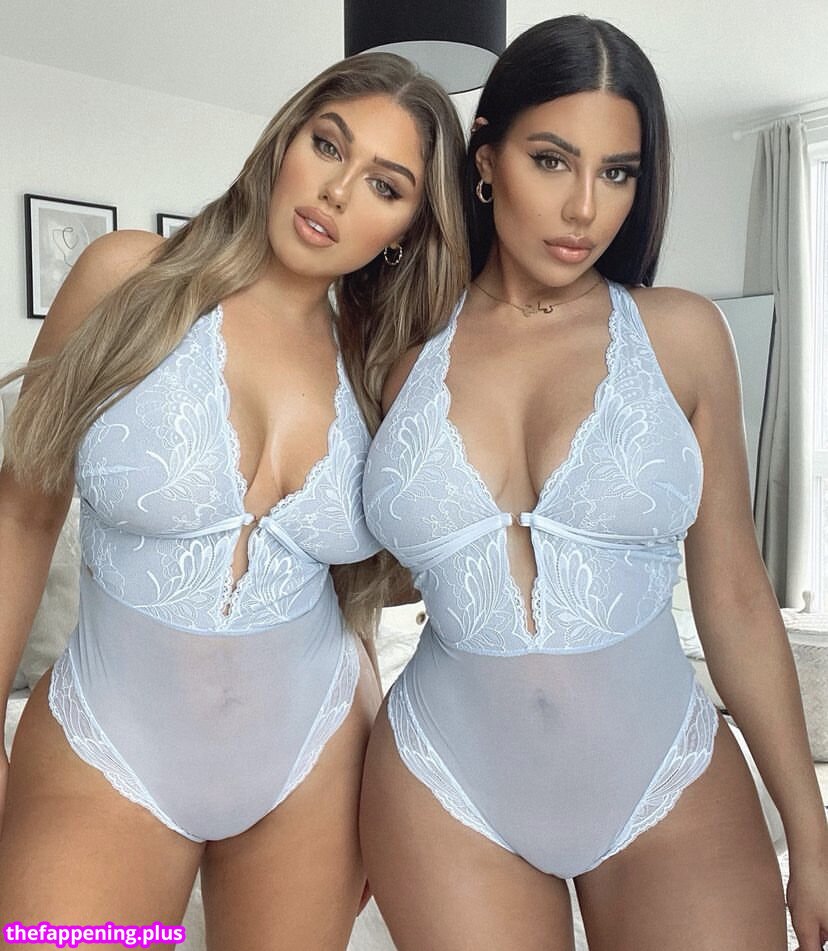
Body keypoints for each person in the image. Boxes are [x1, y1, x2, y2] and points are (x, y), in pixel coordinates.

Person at [360, 15, 828, 951]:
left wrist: (810, 834)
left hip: (666, 781)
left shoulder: (682, 336)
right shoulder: (396, 357)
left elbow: (736, 596)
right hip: (444, 787)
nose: (584, 208)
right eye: (551, 160)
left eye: (618, 173)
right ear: (485, 160)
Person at [0, 52, 467, 950]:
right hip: (107, 743)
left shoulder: (379, 362)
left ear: (407, 228)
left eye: (384, 185)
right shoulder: (127, 278)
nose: (336, 192)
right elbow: (21, 514)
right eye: (328, 145)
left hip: (314, 758)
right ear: (286, 140)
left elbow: (352, 589)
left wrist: (378, 746)